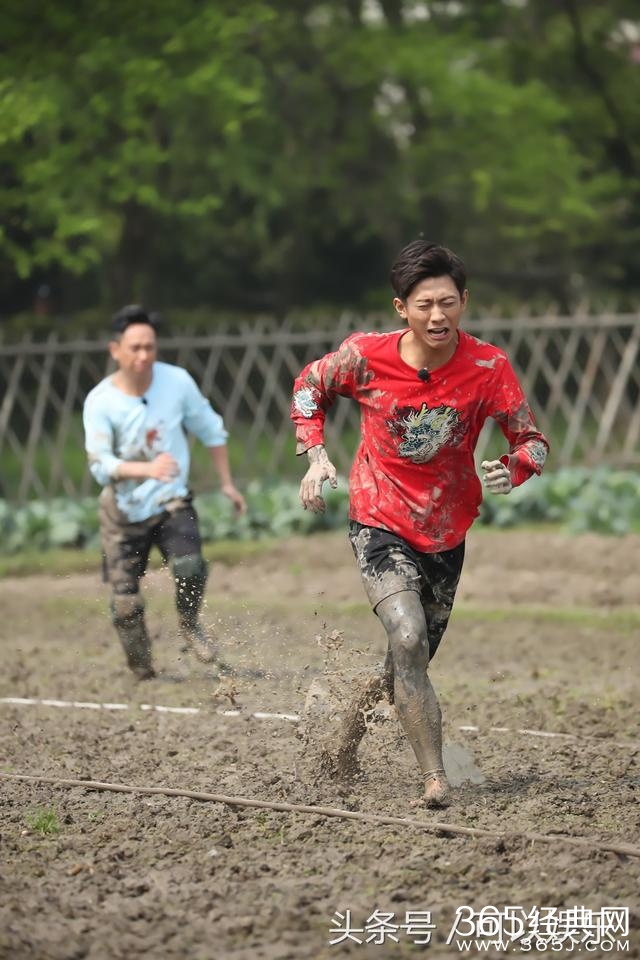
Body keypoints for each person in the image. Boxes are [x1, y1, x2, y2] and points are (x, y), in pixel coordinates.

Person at [291, 240, 549, 806]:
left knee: (407, 660)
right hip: (378, 518)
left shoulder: (488, 366)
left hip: (446, 531)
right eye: (425, 304)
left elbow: (533, 441)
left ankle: (347, 731)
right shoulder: (365, 356)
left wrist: (514, 467)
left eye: (448, 303)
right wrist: (315, 453)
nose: (438, 316)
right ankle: (435, 778)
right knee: (407, 635)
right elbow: (310, 385)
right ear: (401, 308)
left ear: (464, 302)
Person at [83, 304, 246, 680]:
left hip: (171, 500)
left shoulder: (177, 382)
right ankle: (143, 671)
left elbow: (212, 430)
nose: (144, 356)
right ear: (115, 350)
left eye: (150, 347)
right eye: (135, 348)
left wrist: (227, 483)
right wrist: (146, 469)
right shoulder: (100, 401)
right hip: (122, 510)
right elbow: (99, 465)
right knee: (126, 604)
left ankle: (189, 624)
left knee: (190, 566)